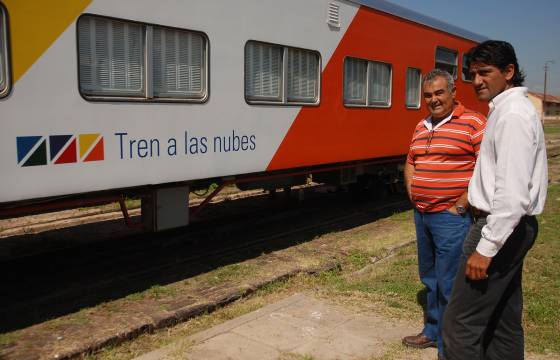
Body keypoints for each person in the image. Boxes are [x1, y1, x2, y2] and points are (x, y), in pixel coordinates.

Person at [442, 40, 548, 360]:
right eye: (473, 74)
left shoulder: (512, 115)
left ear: (509, 72)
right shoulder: (508, 110)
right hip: (512, 228)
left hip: (499, 228)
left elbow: (512, 195)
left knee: (460, 325)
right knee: (503, 322)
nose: (477, 81)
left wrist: (486, 248)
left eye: (485, 73)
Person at [402, 69, 486, 359]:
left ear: (453, 93)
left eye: (439, 93)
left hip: (451, 217)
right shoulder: (422, 125)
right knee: (430, 278)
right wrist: (414, 192)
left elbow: (485, 167)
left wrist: (461, 204)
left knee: (451, 282)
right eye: (428, 95)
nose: (433, 100)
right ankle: (433, 331)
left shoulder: (473, 122)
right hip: (423, 215)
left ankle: (453, 346)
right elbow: (411, 161)